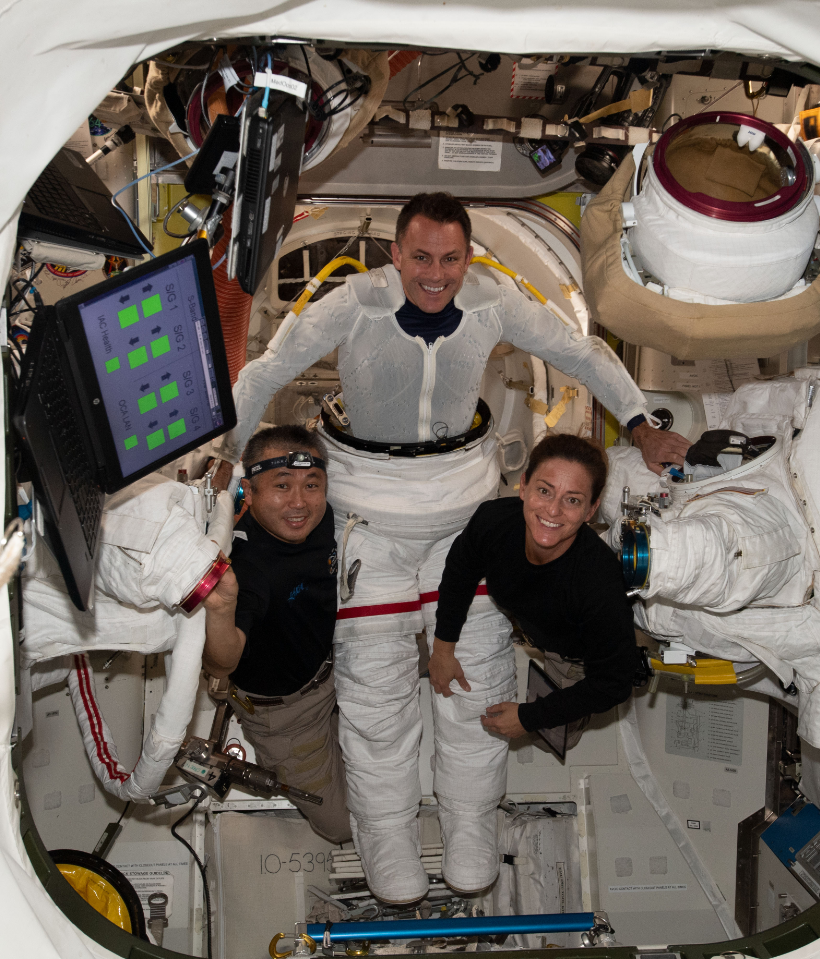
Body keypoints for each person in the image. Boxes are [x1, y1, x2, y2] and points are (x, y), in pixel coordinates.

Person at [211, 192, 688, 903]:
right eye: (421, 257)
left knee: (476, 687)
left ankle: (471, 828)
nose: (435, 274)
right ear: (396, 253)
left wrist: (642, 424)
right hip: (368, 517)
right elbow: (265, 372)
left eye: (451, 258)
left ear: (469, 257)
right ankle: (387, 840)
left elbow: (578, 352)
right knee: (376, 702)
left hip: (463, 515)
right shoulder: (354, 302)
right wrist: (220, 458)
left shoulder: (493, 302)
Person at [430, 435, 646, 753]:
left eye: (572, 500)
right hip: (528, 610)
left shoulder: (597, 584)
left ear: (591, 509)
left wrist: (529, 717)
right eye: (544, 491)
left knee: (551, 741)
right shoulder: (494, 522)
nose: (553, 510)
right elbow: (460, 573)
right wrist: (443, 650)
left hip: (572, 652)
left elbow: (614, 683)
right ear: (524, 486)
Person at [200, 425, 351, 844]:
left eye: (311, 485)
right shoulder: (248, 570)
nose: (299, 502)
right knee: (342, 827)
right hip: (287, 715)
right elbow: (221, 660)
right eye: (281, 486)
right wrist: (222, 606)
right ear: (249, 491)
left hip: (333, 659)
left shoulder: (321, 516)